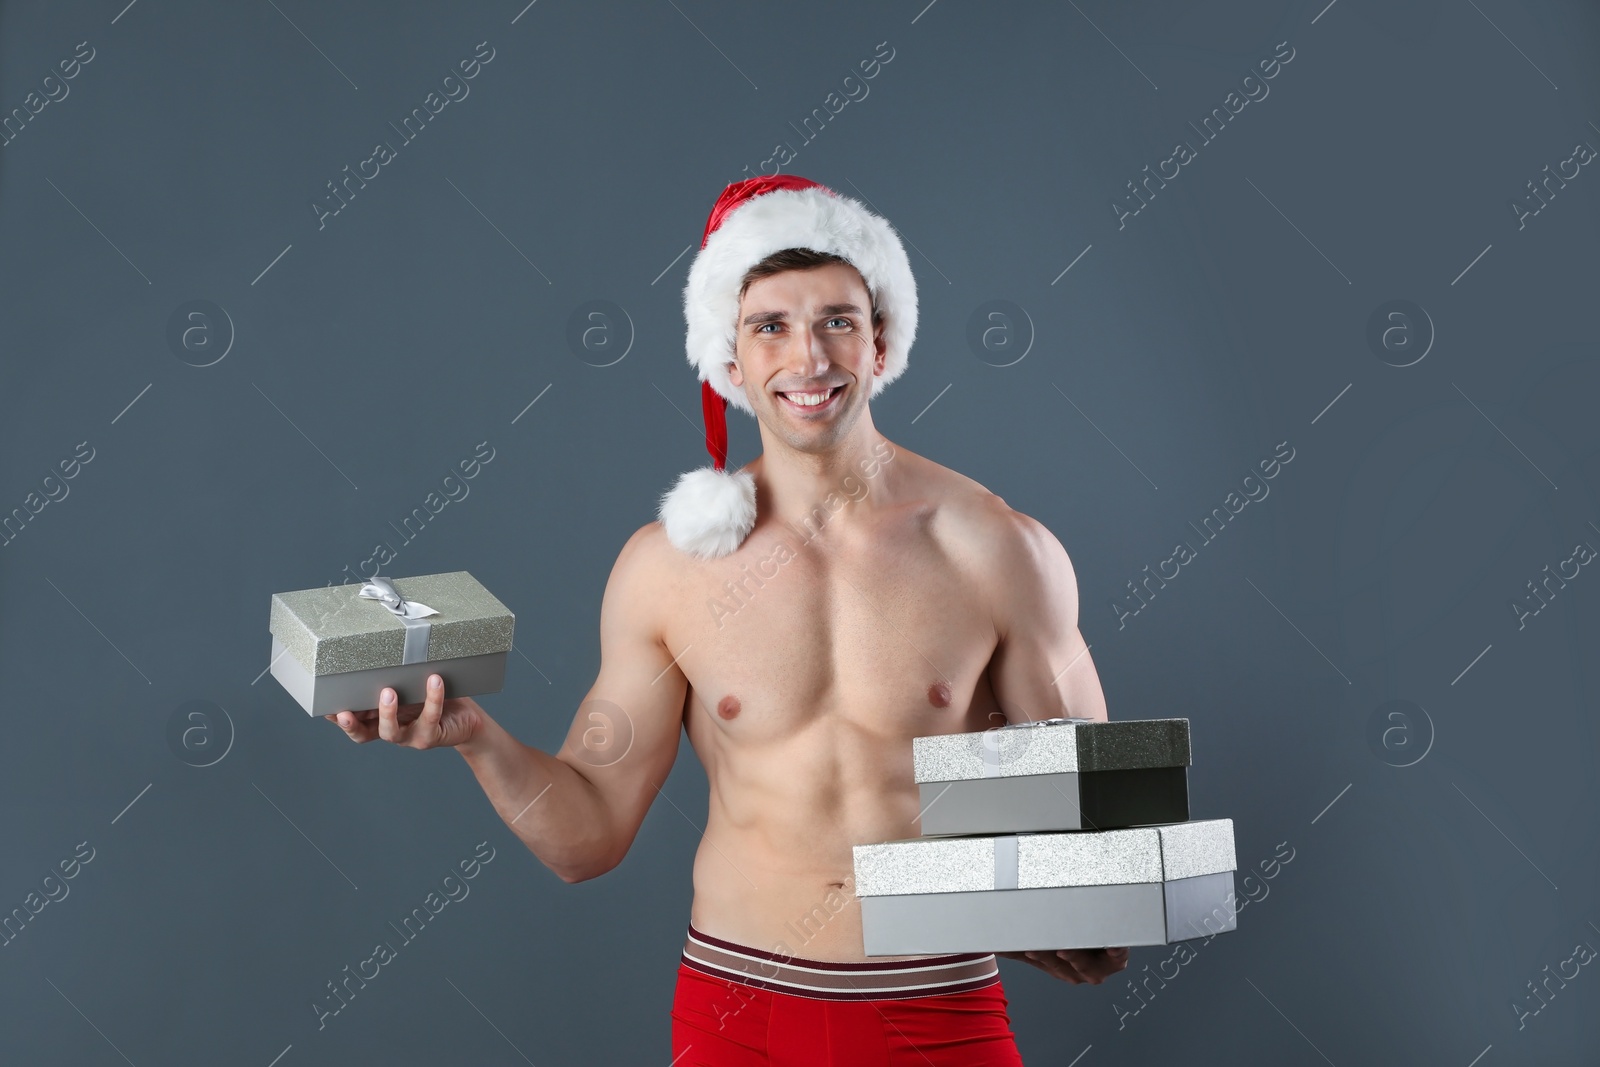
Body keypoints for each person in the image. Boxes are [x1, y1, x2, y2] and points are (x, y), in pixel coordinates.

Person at [325, 175, 1129, 1065]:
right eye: (771, 326)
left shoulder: (998, 550)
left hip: (934, 1012)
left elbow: (1092, 832)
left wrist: (1081, 905)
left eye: (837, 320)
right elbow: (586, 837)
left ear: (881, 342)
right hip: (739, 1018)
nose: (809, 358)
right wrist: (477, 737)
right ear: (730, 360)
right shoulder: (668, 569)